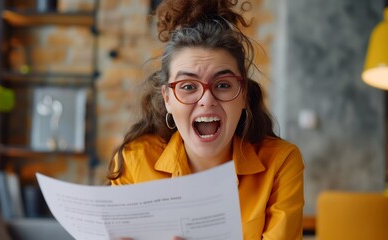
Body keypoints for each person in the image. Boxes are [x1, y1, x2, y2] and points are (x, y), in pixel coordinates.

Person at [107, 0, 304, 239]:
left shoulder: (281, 163)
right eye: (188, 86)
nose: (207, 100)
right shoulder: (135, 161)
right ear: (168, 98)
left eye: (222, 85)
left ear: (243, 96)